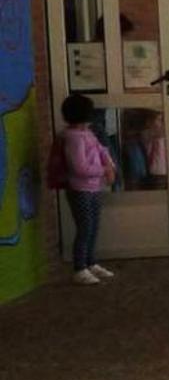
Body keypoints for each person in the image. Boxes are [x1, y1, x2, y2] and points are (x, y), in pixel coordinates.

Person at [59, 94, 117, 285]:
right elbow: (79, 167)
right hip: (80, 189)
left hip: (93, 188)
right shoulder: (74, 138)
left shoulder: (87, 133)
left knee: (93, 227)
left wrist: (109, 165)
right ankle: (79, 268)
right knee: (84, 228)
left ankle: (91, 262)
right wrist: (103, 170)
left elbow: (101, 149)